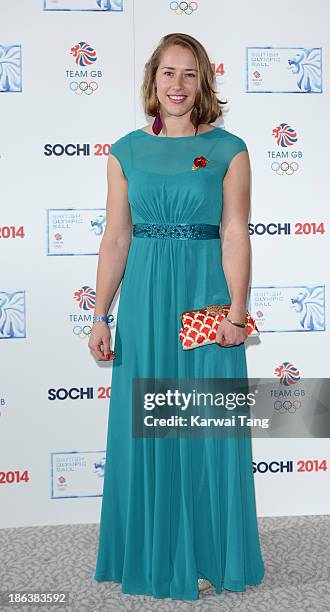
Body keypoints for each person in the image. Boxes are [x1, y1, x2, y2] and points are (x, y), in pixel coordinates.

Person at [90, 32, 265, 601]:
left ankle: (212, 552)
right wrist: (99, 316)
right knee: (151, 424)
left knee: (206, 426)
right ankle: (156, 552)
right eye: (168, 73)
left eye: (190, 74)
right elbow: (117, 237)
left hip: (203, 299)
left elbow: (235, 230)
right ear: (152, 80)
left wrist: (237, 311)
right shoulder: (126, 151)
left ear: (204, 83)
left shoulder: (229, 149)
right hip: (144, 302)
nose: (178, 85)